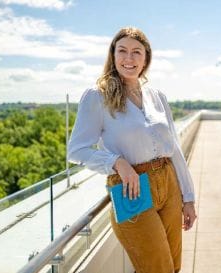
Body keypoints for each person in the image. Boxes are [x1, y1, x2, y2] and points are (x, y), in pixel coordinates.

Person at [68, 26, 196, 273]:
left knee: (174, 265)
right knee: (158, 268)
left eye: (137, 52)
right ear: (113, 55)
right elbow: (77, 150)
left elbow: (174, 149)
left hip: (168, 183)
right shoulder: (97, 96)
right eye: (122, 51)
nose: (129, 58)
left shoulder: (156, 95)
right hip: (130, 188)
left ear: (146, 57)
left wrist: (188, 198)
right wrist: (117, 162)